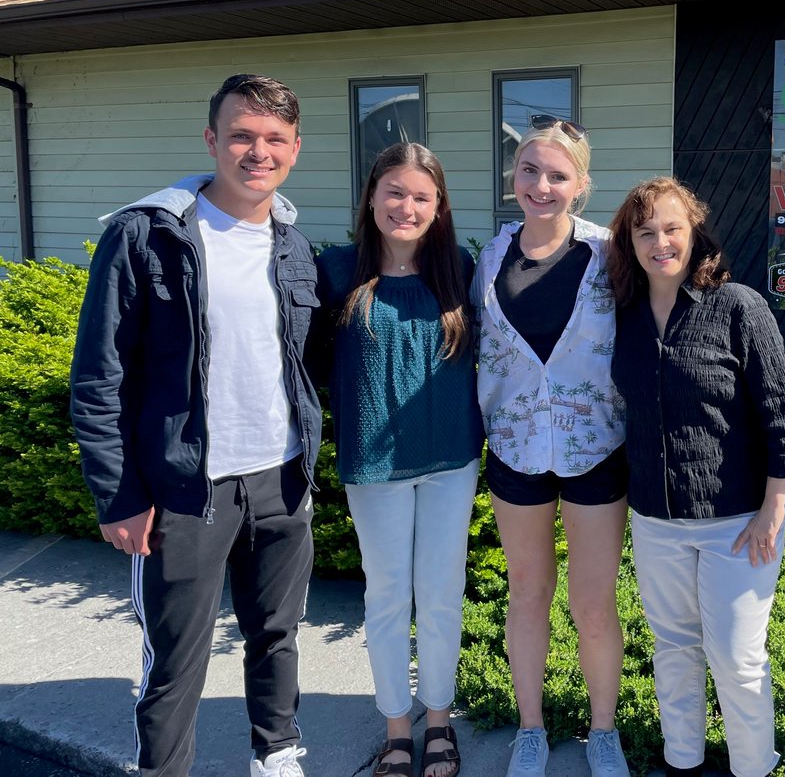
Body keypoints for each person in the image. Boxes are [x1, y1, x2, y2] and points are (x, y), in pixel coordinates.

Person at [69, 74, 321, 777]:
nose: (257, 151)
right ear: (212, 139)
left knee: (277, 635)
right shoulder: (146, 236)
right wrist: (118, 495)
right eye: (242, 135)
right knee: (177, 656)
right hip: (185, 490)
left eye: (274, 139)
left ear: (295, 149)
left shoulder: (294, 247)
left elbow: (305, 364)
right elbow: (99, 376)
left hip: (281, 479)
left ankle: (275, 754)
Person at [608, 176, 785, 777]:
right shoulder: (622, 316)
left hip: (737, 519)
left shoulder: (738, 306)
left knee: (736, 656)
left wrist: (775, 507)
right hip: (655, 517)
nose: (660, 242)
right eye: (645, 232)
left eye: (672, 228)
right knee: (674, 647)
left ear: (695, 231)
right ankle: (683, 763)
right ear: (631, 242)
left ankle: (754, 767)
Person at [314, 142, 482, 777]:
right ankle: (395, 731)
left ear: (438, 207)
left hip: (451, 458)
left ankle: (438, 722)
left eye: (421, 196)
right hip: (374, 465)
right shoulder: (335, 271)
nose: (406, 206)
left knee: (440, 594)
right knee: (387, 596)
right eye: (394, 192)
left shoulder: (460, 271)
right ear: (372, 196)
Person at [471, 116, 630, 777]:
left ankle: (602, 731)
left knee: (594, 606)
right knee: (528, 593)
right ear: (514, 178)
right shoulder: (491, 254)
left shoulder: (609, 253)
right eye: (529, 171)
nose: (541, 185)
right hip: (515, 450)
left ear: (581, 185)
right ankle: (530, 727)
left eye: (557, 175)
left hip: (596, 449)